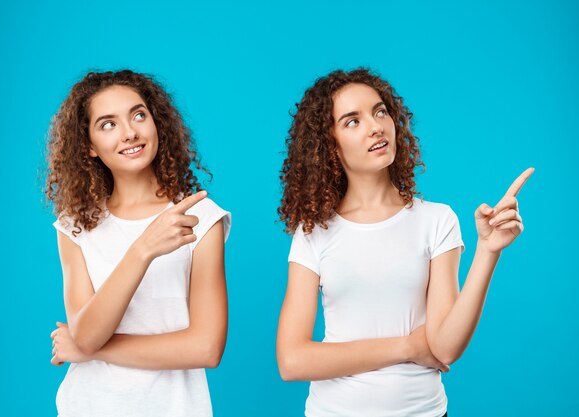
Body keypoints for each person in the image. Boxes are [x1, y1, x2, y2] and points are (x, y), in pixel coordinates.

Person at [276, 68, 532, 417]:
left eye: (380, 111)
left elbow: (444, 348)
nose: (375, 126)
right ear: (329, 146)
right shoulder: (313, 233)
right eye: (352, 121)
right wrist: (408, 346)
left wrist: (488, 251)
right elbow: (292, 361)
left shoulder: (437, 220)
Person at [46, 70, 231, 417]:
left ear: (155, 122)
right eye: (108, 124)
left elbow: (206, 348)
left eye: (138, 115)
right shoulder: (74, 226)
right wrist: (143, 249)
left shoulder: (199, 217)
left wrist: (92, 349)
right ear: (88, 145)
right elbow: (86, 334)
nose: (130, 132)